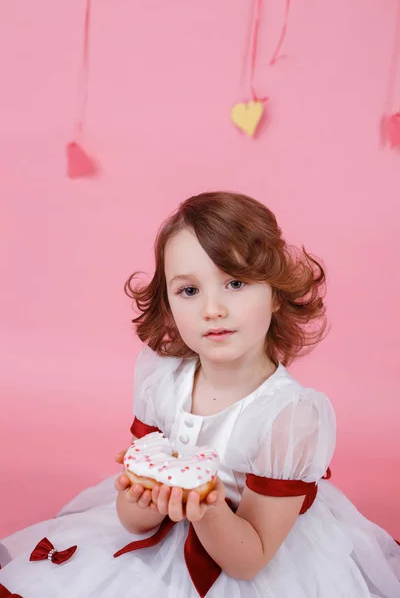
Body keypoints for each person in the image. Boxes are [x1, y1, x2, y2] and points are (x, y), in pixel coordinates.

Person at [1, 191, 399, 598]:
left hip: (245, 549)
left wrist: (205, 506)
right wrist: (144, 496)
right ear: (168, 303)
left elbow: (249, 560)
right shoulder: (164, 378)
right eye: (189, 291)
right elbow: (134, 523)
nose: (212, 308)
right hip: (166, 546)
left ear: (276, 294)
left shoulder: (288, 417)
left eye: (235, 283)